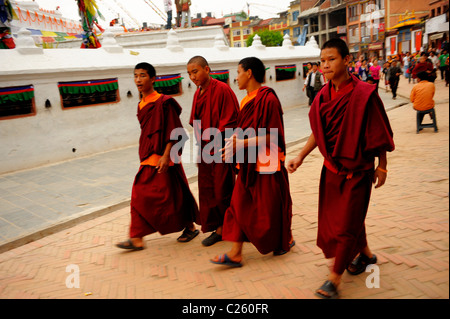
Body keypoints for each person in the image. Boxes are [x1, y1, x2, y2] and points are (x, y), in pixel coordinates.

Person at [287, 38, 395, 299]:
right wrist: (300, 156)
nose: (325, 65)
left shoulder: (364, 93)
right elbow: (318, 133)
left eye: (331, 59)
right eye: (322, 61)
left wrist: (383, 167)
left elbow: (377, 131)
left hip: (358, 171)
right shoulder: (323, 96)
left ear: (347, 60)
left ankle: (334, 280)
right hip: (332, 170)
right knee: (344, 218)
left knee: (346, 224)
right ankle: (367, 256)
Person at [211, 57, 294, 267]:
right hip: (249, 162)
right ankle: (236, 252)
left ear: (249, 73)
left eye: (238, 72)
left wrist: (242, 144)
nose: (235, 78)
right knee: (238, 204)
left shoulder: (268, 99)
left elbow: (273, 135)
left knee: (270, 209)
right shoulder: (246, 100)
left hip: (267, 162)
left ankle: (285, 239)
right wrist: (233, 148)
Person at [116, 62, 200, 251]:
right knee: (174, 194)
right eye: (136, 75)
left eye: (143, 75)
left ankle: (137, 237)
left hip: (164, 156)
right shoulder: (142, 104)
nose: (138, 79)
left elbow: (176, 131)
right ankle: (189, 226)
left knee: (140, 193)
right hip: (148, 155)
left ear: (153, 79)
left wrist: (166, 156)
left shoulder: (164, 102)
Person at [187, 56, 239, 246]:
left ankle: (224, 228)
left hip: (221, 148)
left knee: (222, 188)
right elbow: (196, 122)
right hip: (205, 149)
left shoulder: (222, 90)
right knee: (208, 189)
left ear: (207, 69)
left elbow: (231, 121)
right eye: (189, 74)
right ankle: (216, 224)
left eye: (195, 71)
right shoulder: (198, 93)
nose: (192, 77)